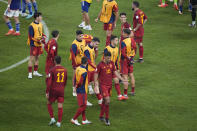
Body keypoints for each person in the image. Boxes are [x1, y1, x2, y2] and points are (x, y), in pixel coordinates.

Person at [94, 51, 127, 126]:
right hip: (103, 86)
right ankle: (107, 118)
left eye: (110, 58)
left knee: (105, 101)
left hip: (109, 85)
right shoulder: (100, 65)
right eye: (108, 58)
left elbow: (115, 72)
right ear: (104, 57)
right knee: (108, 101)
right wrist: (96, 84)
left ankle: (101, 116)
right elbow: (96, 74)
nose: (109, 59)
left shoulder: (112, 63)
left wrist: (122, 79)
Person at [46, 56, 67, 128]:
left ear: (55, 61)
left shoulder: (52, 70)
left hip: (54, 90)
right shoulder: (65, 70)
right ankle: (59, 122)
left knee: (49, 103)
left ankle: (52, 119)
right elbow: (65, 81)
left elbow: (49, 83)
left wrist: (47, 92)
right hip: (61, 90)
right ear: (60, 61)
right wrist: (62, 88)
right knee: (60, 106)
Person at [71, 57, 92, 126]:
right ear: (86, 63)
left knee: (83, 105)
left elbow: (74, 78)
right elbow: (81, 82)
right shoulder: (84, 71)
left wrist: (74, 86)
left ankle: (84, 120)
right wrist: (76, 86)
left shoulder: (77, 68)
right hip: (82, 90)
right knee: (83, 106)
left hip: (78, 89)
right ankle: (74, 119)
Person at [104, 35, 124, 100]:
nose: (117, 41)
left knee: (116, 81)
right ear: (112, 41)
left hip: (113, 68)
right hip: (107, 68)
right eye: (116, 40)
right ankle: (102, 95)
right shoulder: (107, 48)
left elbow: (116, 59)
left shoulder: (117, 48)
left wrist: (117, 68)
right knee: (106, 84)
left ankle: (119, 95)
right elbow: (104, 59)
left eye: (117, 40)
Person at [83, 37, 103, 104]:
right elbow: (88, 61)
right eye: (96, 44)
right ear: (93, 42)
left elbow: (93, 59)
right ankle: (85, 101)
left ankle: (100, 99)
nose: (97, 46)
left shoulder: (92, 48)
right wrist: (96, 67)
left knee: (96, 83)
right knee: (85, 86)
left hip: (93, 70)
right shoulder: (86, 49)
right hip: (88, 70)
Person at [27, 12, 46, 79]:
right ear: (37, 17)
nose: (41, 18)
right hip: (34, 44)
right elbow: (31, 37)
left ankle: (35, 72)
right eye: (40, 16)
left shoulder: (40, 24)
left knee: (37, 57)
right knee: (31, 58)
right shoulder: (31, 26)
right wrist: (38, 40)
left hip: (39, 44)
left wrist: (44, 35)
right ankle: (30, 73)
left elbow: (40, 32)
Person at [120, 29, 136, 98]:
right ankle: (132, 91)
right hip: (131, 59)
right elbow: (135, 49)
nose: (122, 34)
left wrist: (128, 58)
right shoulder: (132, 40)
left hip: (125, 60)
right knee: (131, 75)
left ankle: (125, 94)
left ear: (126, 34)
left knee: (125, 76)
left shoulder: (123, 42)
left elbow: (123, 53)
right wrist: (131, 57)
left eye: (123, 33)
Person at [70, 30, 86, 96]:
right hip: (76, 62)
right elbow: (73, 55)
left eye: (82, 35)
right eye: (80, 36)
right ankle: (74, 90)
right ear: (76, 36)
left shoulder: (84, 41)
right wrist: (75, 64)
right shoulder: (74, 44)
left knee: (82, 76)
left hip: (82, 62)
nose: (81, 37)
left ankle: (81, 87)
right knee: (75, 76)